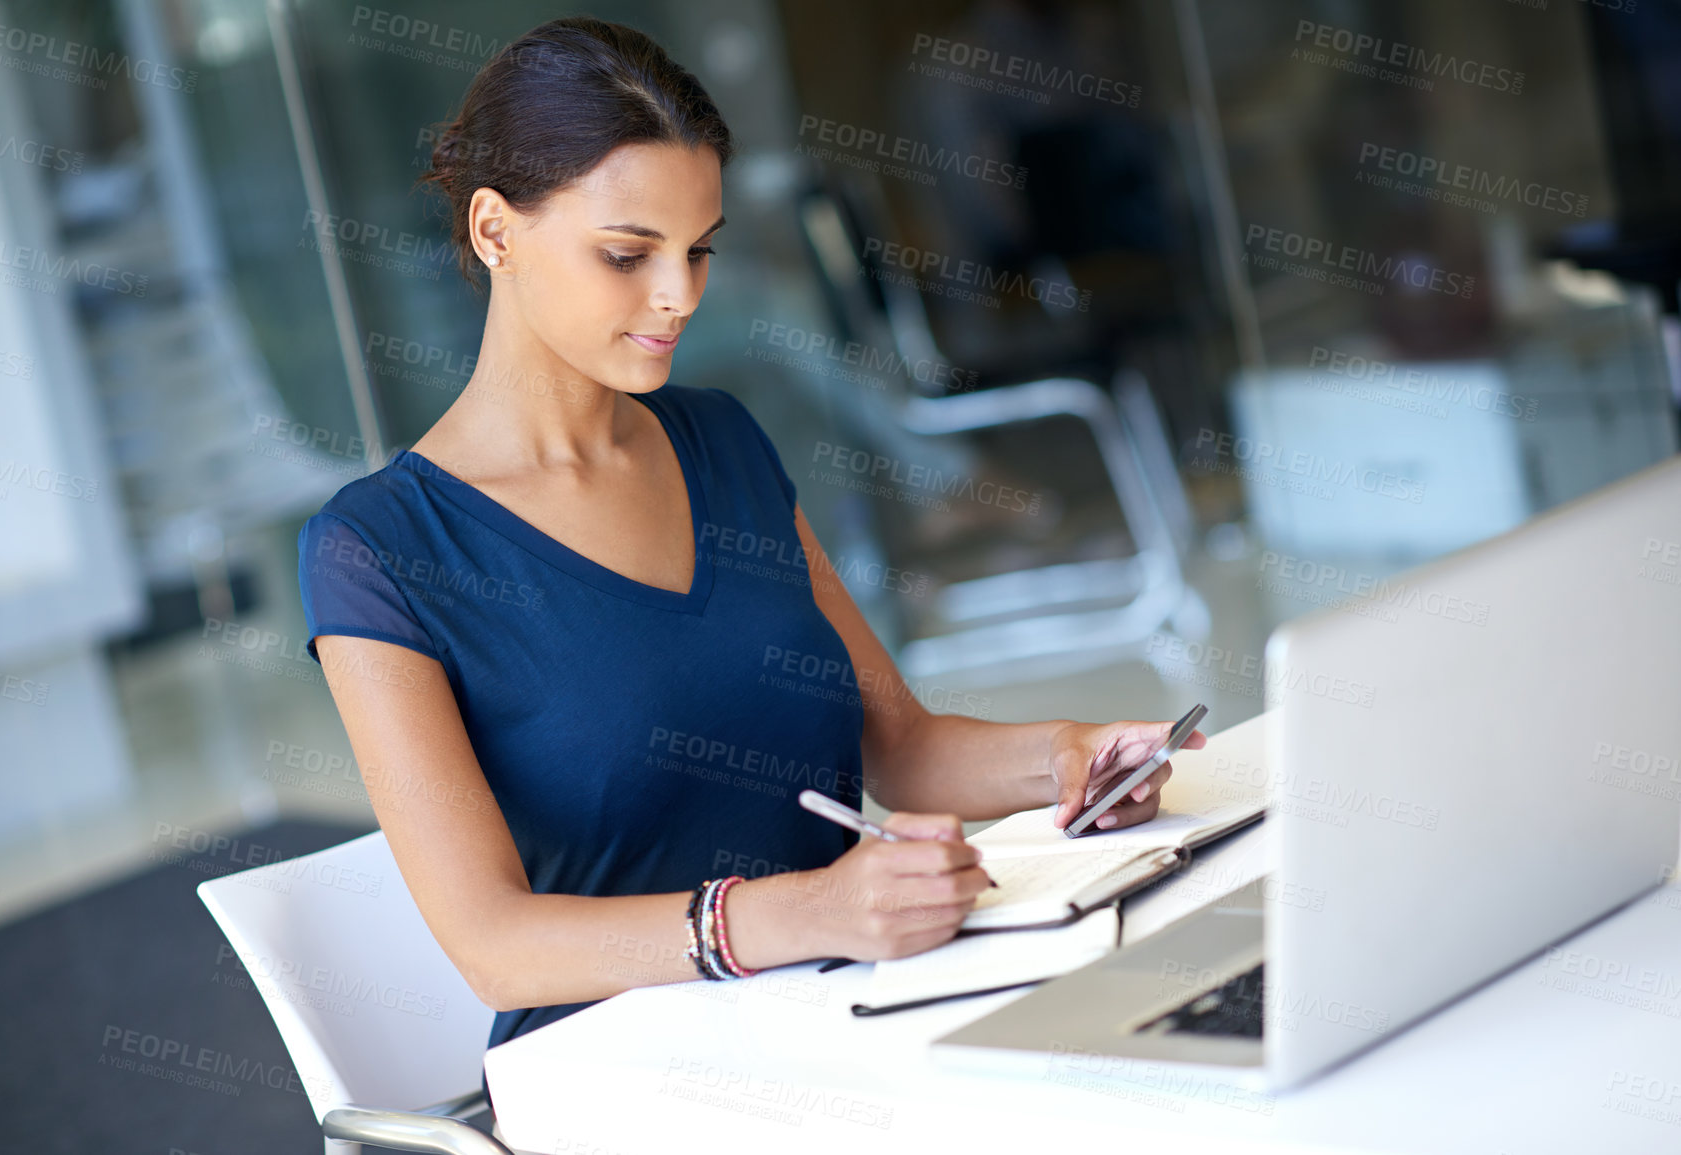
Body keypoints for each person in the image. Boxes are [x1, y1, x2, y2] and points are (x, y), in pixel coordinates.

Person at [294, 14, 1204, 1110]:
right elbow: (497, 946)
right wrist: (804, 916)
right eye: (629, 255)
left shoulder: (719, 441)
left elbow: (903, 750)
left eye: (700, 248)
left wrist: (1071, 757)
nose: (680, 295)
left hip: (847, 1020)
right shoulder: (378, 549)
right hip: (624, 1080)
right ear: (494, 231)